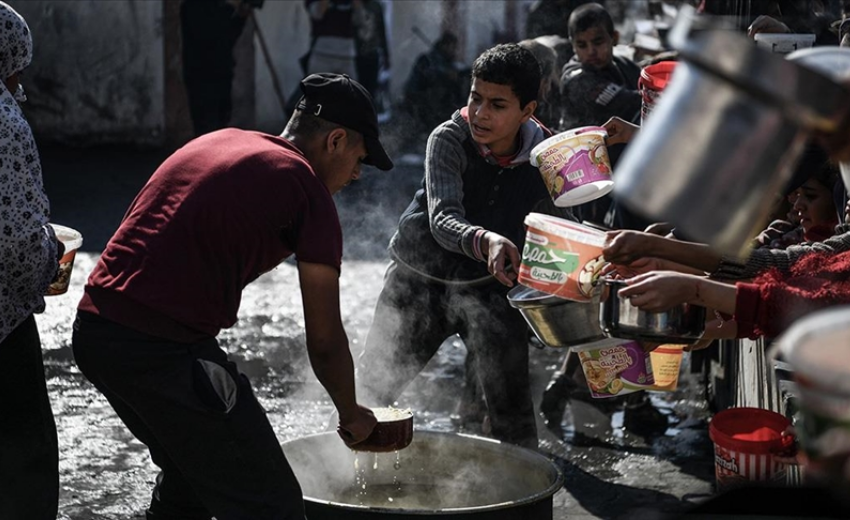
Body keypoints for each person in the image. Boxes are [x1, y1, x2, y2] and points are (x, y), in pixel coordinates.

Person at [71, 73, 391, 520]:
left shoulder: (222, 140)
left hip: (95, 332)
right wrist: (350, 411)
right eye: (360, 158)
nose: (357, 174)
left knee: (192, 477)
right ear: (335, 140)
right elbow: (324, 338)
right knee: (273, 503)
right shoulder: (306, 190)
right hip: (159, 349)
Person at [356, 43, 574, 450]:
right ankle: (345, 485)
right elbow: (442, 219)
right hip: (419, 283)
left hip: (492, 290)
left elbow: (563, 225)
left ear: (527, 111)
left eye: (497, 104)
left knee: (512, 416)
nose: (480, 113)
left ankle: (516, 501)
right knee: (371, 394)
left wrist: (600, 258)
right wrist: (486, 239)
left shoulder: (547, 154)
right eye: (475, 98)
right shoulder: (448, 139)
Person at [0, 4, 63, 519]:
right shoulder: (5, 125)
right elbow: (18, 245)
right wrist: (51, 260)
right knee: (26, 462)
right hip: (3, 325)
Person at [180, 0, 257, 137]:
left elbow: (229, 35)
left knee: (220, 120)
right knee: (206, 124)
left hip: (219, 73)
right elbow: (217, 36)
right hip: (202, 74)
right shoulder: (193, 8)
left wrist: (241, 16)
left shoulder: (220, 9)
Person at [400, 30, 468, 150]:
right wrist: (446, 74)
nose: (454, 51)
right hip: (419, 98)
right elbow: (429, 75)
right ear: (444, 45)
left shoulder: (446, 61)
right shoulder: (427, 59)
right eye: (452, 47)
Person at [304, 0, 358, 78]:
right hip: (322, 53)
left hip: (346, 54)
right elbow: (318, 14)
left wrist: (357, 5)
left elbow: (360, 21)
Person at [352, 0, 390, 100]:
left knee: (370, 91)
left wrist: (386, 55)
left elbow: (382, 31)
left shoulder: (376, 6)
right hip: (355, 55)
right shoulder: (352, 5)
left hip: (372, 55)